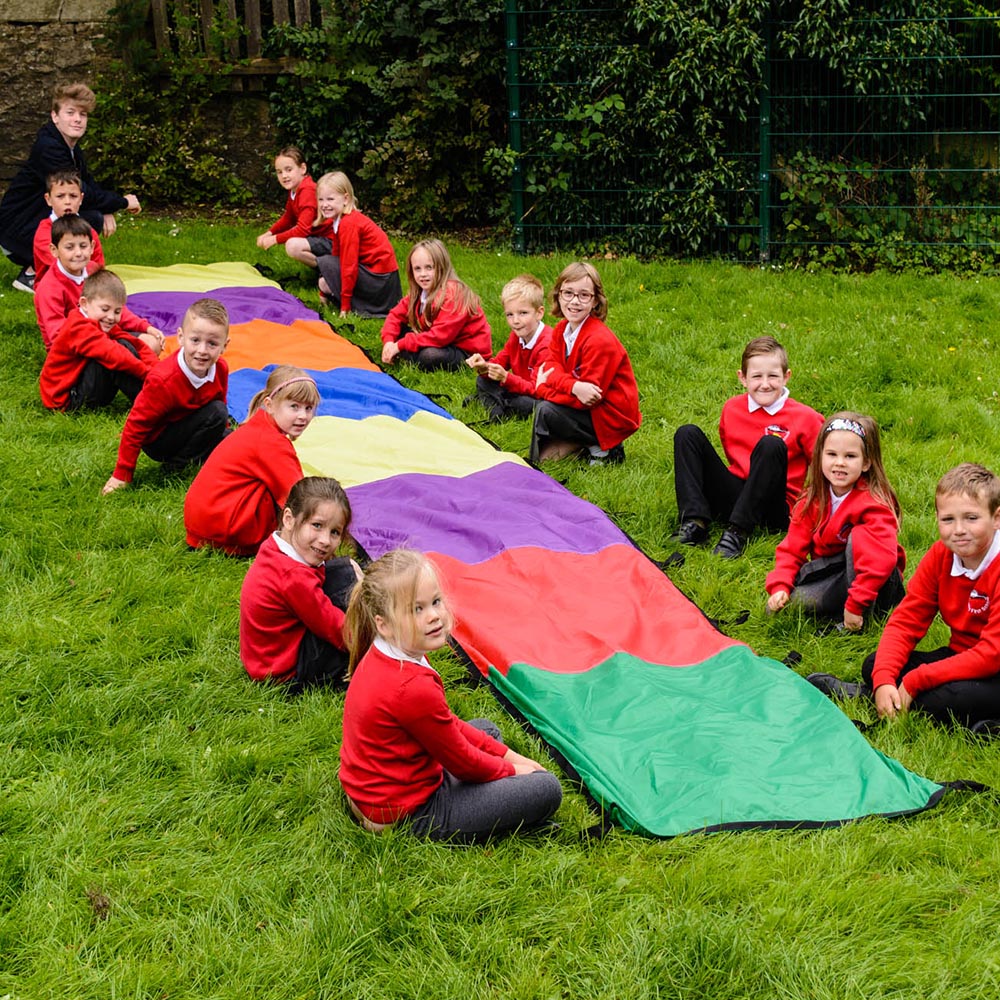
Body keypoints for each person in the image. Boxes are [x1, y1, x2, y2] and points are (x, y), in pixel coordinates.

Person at [338, 549, 563, 841]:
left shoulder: (392, 650)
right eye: (416, 609)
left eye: (435, 602)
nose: (433, 616)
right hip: (408, 813)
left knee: (486, 730)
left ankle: (494, 797)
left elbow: (448, 724)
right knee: (545, 788)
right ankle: (502, 815)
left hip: (378, 788)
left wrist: (508, 754)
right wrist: (515, 770)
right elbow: (464, 764)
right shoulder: (410, 687)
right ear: (384, 623)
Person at [810, 463, 1000, 730]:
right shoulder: (940, 556)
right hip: (962, 655)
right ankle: (884, 692)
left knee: (947, 697)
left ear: (996, 518)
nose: (958, 529)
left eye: (971, 518)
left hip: (995, 666)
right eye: (948, 519)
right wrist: (885, 678)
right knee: (876, 664)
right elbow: (907, 621)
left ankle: (868, 695)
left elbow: (992, 654)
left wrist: (916, 680)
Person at [672, 335, 824, 558]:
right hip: (736, 494)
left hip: (775, 506)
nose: (765, 384)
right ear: (742, 378)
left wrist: (809, 509)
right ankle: (695, 522)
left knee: (771, 444)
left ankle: (737, 532)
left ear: (786, 376)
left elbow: (824, 468)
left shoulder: (807, 418)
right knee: (687, 434)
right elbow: (732, 454)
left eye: (773, 376)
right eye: (756, 376)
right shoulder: (732, 408)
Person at [765, 412, 905, 631]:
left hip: (876, 583)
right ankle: (838, 608)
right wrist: (780, 584)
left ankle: (859, 619)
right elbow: (792, 548)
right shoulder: (813, 498)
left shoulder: (875, 504)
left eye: (850, 456)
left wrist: (856, 605)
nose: (839, 463)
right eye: (832, 454)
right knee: (792, 604)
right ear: (820, 456)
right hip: (835, 573)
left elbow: (881, 561)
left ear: (866, 462)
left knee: (858, 538)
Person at [0, 81, 140, 294]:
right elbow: (79, 191)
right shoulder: (49, 148)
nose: (77, 119)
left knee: (91, 214)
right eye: (70, 112)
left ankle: (57, 269)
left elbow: (87, 184)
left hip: (27, 225)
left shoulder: (69, 146)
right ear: (55, 116)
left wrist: (108, 208)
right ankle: (31, 274)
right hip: (16, 231)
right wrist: (122, 202)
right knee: (88, 218)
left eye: (82, 115)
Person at [183, 365, 320, 556]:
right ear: (270, 405)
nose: (303, 416)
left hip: (203, 526)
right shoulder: (273, 443)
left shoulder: (258, 426)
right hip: (223, 531)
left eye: (309, 408)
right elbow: (298, 498)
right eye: (294, 407)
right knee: (294, 500)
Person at [240, 477, 362, 689]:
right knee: (348, 581)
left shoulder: (275, 546)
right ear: (289, 519)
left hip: (265, 655)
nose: (325, 540)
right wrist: (379, 643)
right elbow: (335, 628)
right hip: (284, 671)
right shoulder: (293, 576)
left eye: (335, 532)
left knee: (345, 571)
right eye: (317, 525)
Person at [102, 298, 231, 494]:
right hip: (160, 440)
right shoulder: (163, 379)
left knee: (232, 439)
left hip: (192, 423)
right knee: (218, 413)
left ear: (224, 346)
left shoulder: (220, 368)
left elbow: (220, 398)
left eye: (212, 344)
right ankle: (176, 466)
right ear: (180, 337)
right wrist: (122, 474)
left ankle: (206, 454)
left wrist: (222, 434)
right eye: (195, 340)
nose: (202, 351)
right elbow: (135, 425)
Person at [529, 261, 641, 466]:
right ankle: (585, 444)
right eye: (568, 293)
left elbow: (587, 400)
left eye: (584, 295)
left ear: (595, 301)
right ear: (559, 295)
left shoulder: (599, 340)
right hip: (582, 402)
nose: (575, 301)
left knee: (546, 409)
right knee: (544, 460)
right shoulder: (561, 329)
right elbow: (550, 366)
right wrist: (573, 386)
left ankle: (606, 447)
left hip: (610, 416)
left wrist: (543, 388)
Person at [34, 214, 163, 351]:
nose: (78, 253)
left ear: (92, 247)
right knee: (124, 357)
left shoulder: (93, 270)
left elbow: (115, 307)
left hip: (106, 333)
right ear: (54, 250)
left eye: (83, 246)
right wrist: (104, 344)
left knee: (152, 343)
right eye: (69, 247)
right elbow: (58, 336)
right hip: (75, 348)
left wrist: (146, 327)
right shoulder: (49, 288)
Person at [38, 268, 159, 411]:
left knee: (124, 343)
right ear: (84, 304)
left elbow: (133, 343)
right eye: (105, 309)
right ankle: (154, 402)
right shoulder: (79, 328)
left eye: (117, 311)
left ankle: (157, 393)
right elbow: (117, 357)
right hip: (68, 399)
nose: (111, 317)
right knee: (116, 355)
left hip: (81, 383)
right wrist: (147, 374)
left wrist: (157, 370)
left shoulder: (98, 321)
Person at [284, 170, 401, 317]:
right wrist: (326, 280)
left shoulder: (348, 224)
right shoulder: (339, 220)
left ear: (345, 199)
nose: (324, 205)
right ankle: (336, 293)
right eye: (320, 200)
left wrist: (345, 307)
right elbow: (336, 256)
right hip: (379, 279)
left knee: (325, 263)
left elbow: (348, 265)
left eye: (330, 199)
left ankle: (355, 303)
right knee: (325, 276)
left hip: (381, 283)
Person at [380, 239, 492, 370]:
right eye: (417, 269)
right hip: (441, 341)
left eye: (429, 267)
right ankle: (404, 353)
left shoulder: (455, 294)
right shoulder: (419, 293)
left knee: (429, 356)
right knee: (398, 332)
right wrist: (388, 341)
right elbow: (395, 316)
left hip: (465, 351)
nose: (423, 274)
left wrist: (399, 345)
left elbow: (440, 337)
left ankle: (408, 355)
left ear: (442, 267)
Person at [466, 273, 553, 422]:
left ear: (539, 313)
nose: (515, 321)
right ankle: (497, 406)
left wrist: (506, 378)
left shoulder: (547, 344)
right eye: (509, 315)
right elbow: (500, 362)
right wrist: (484, 366)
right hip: (519, 387)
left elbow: (537, 389)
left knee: (529, 405)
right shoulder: (516, 336)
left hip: (538, 394)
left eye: (523, 313)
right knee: (482, 381)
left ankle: (492, 406)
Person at [255, 147, 330, 262]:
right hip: (319, 237)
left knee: (293, 245)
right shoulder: (295, 189)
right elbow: (289, 217)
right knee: (293, 243)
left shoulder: (307, 191)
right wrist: (269, 233)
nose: (284, 176)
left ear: (302, 169)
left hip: (333, 240)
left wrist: (274, 239)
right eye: (279, 172)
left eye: (289, 170)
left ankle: (328, 268)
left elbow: (303, 230)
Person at [33, 170, 105, 284]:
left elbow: (99, 268)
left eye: (73, 196)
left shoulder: (89, 231)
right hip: (53, 289)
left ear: (81, 199)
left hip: (87, 289)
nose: (67, 202)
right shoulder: (44, 232)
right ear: (48, 199)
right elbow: (65, 264)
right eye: (60, 196)